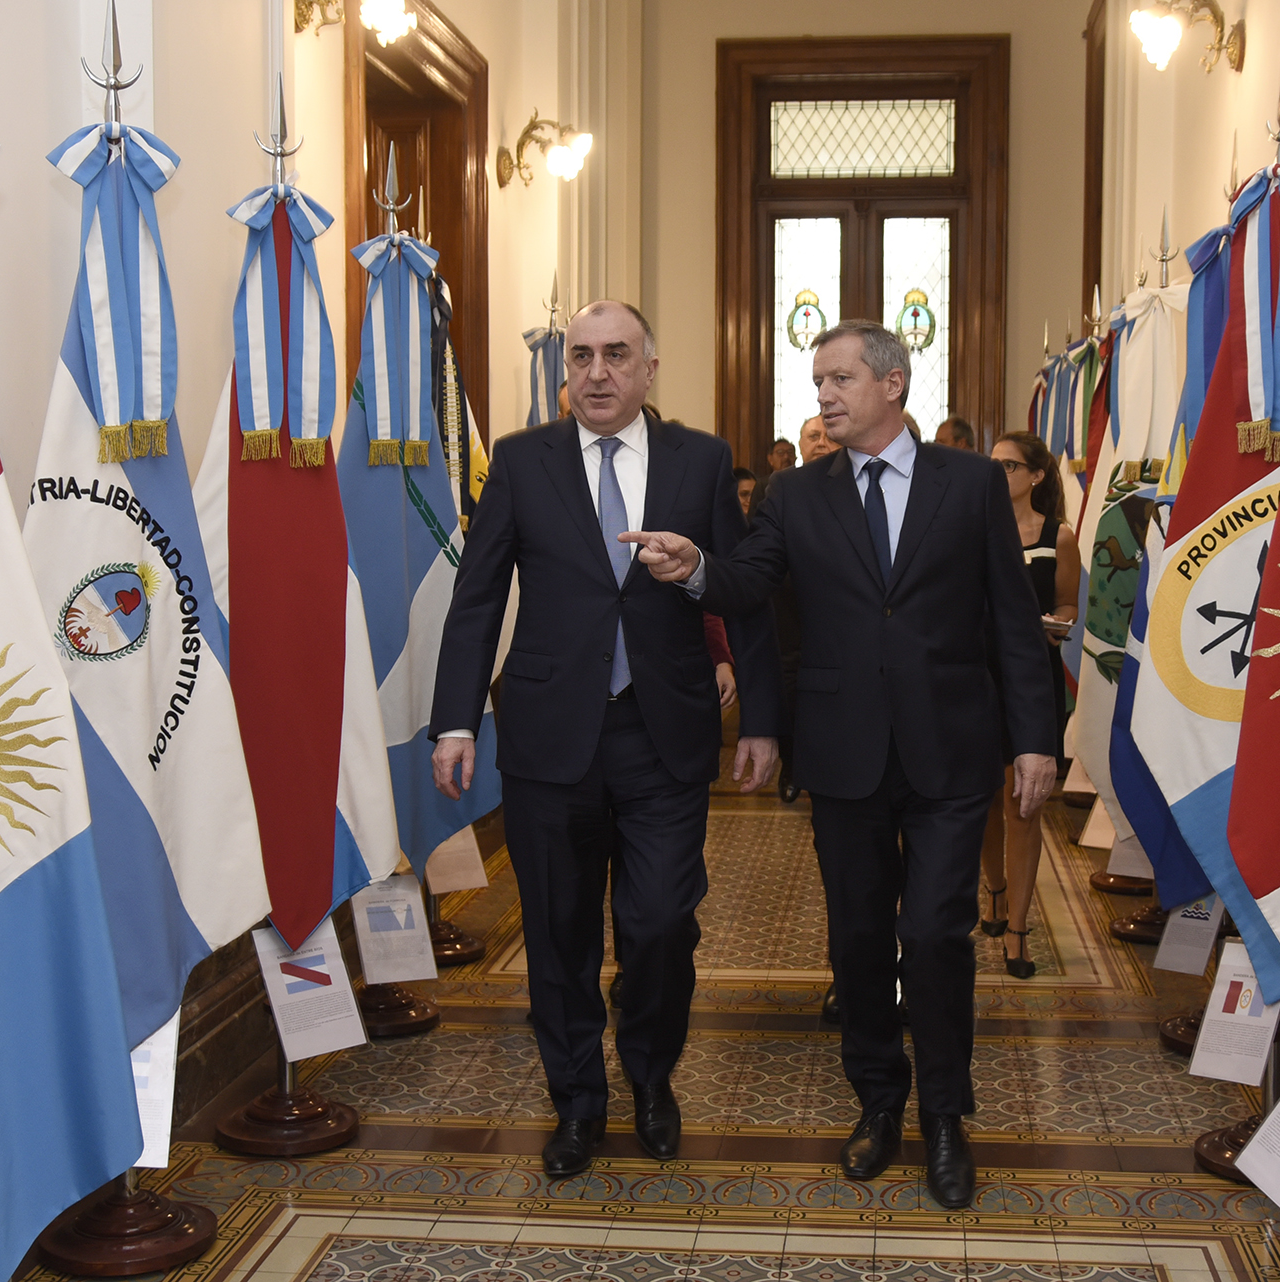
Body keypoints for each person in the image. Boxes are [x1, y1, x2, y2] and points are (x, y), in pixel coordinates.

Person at [621, 319, 1056, 1210]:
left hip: (949, 749)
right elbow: (750, 584)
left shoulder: (969, 484)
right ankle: (879, 1103)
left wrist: (1036, 738)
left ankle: (944, 1115)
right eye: (818, 379)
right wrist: (696, 564)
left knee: (934, 934)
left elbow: (1013, 623)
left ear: (892, 384)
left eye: (840, 378)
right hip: (846, 753)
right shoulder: (795, 492)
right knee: (858, 940)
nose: (823, 394)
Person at [430, 300, 780, 1179]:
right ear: (565, 372)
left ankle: (652, 1076)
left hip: (663, 734)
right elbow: (477, 599)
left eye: (617, 355)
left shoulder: (700, 461)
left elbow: (743, 588)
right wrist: (454, 719)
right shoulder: (519, 462)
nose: (597, 372)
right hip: (551, 738)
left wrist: (759, 708)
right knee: (557, 933)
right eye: (582, 356)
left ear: (649, 369)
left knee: (660, 921)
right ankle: (577, 1102)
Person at [977, 431, 1079, 979]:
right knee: (986, 801)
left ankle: (1017, 927)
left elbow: (1067, 602)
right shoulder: (973, 527)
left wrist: (1057, 624)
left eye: (1009, 467)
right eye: (991, 466)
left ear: (1036, 476)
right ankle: (993, 891)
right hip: (979, 678)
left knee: (1025, 805)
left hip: (1033, 678)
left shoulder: (1058, 535)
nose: (998, 475)